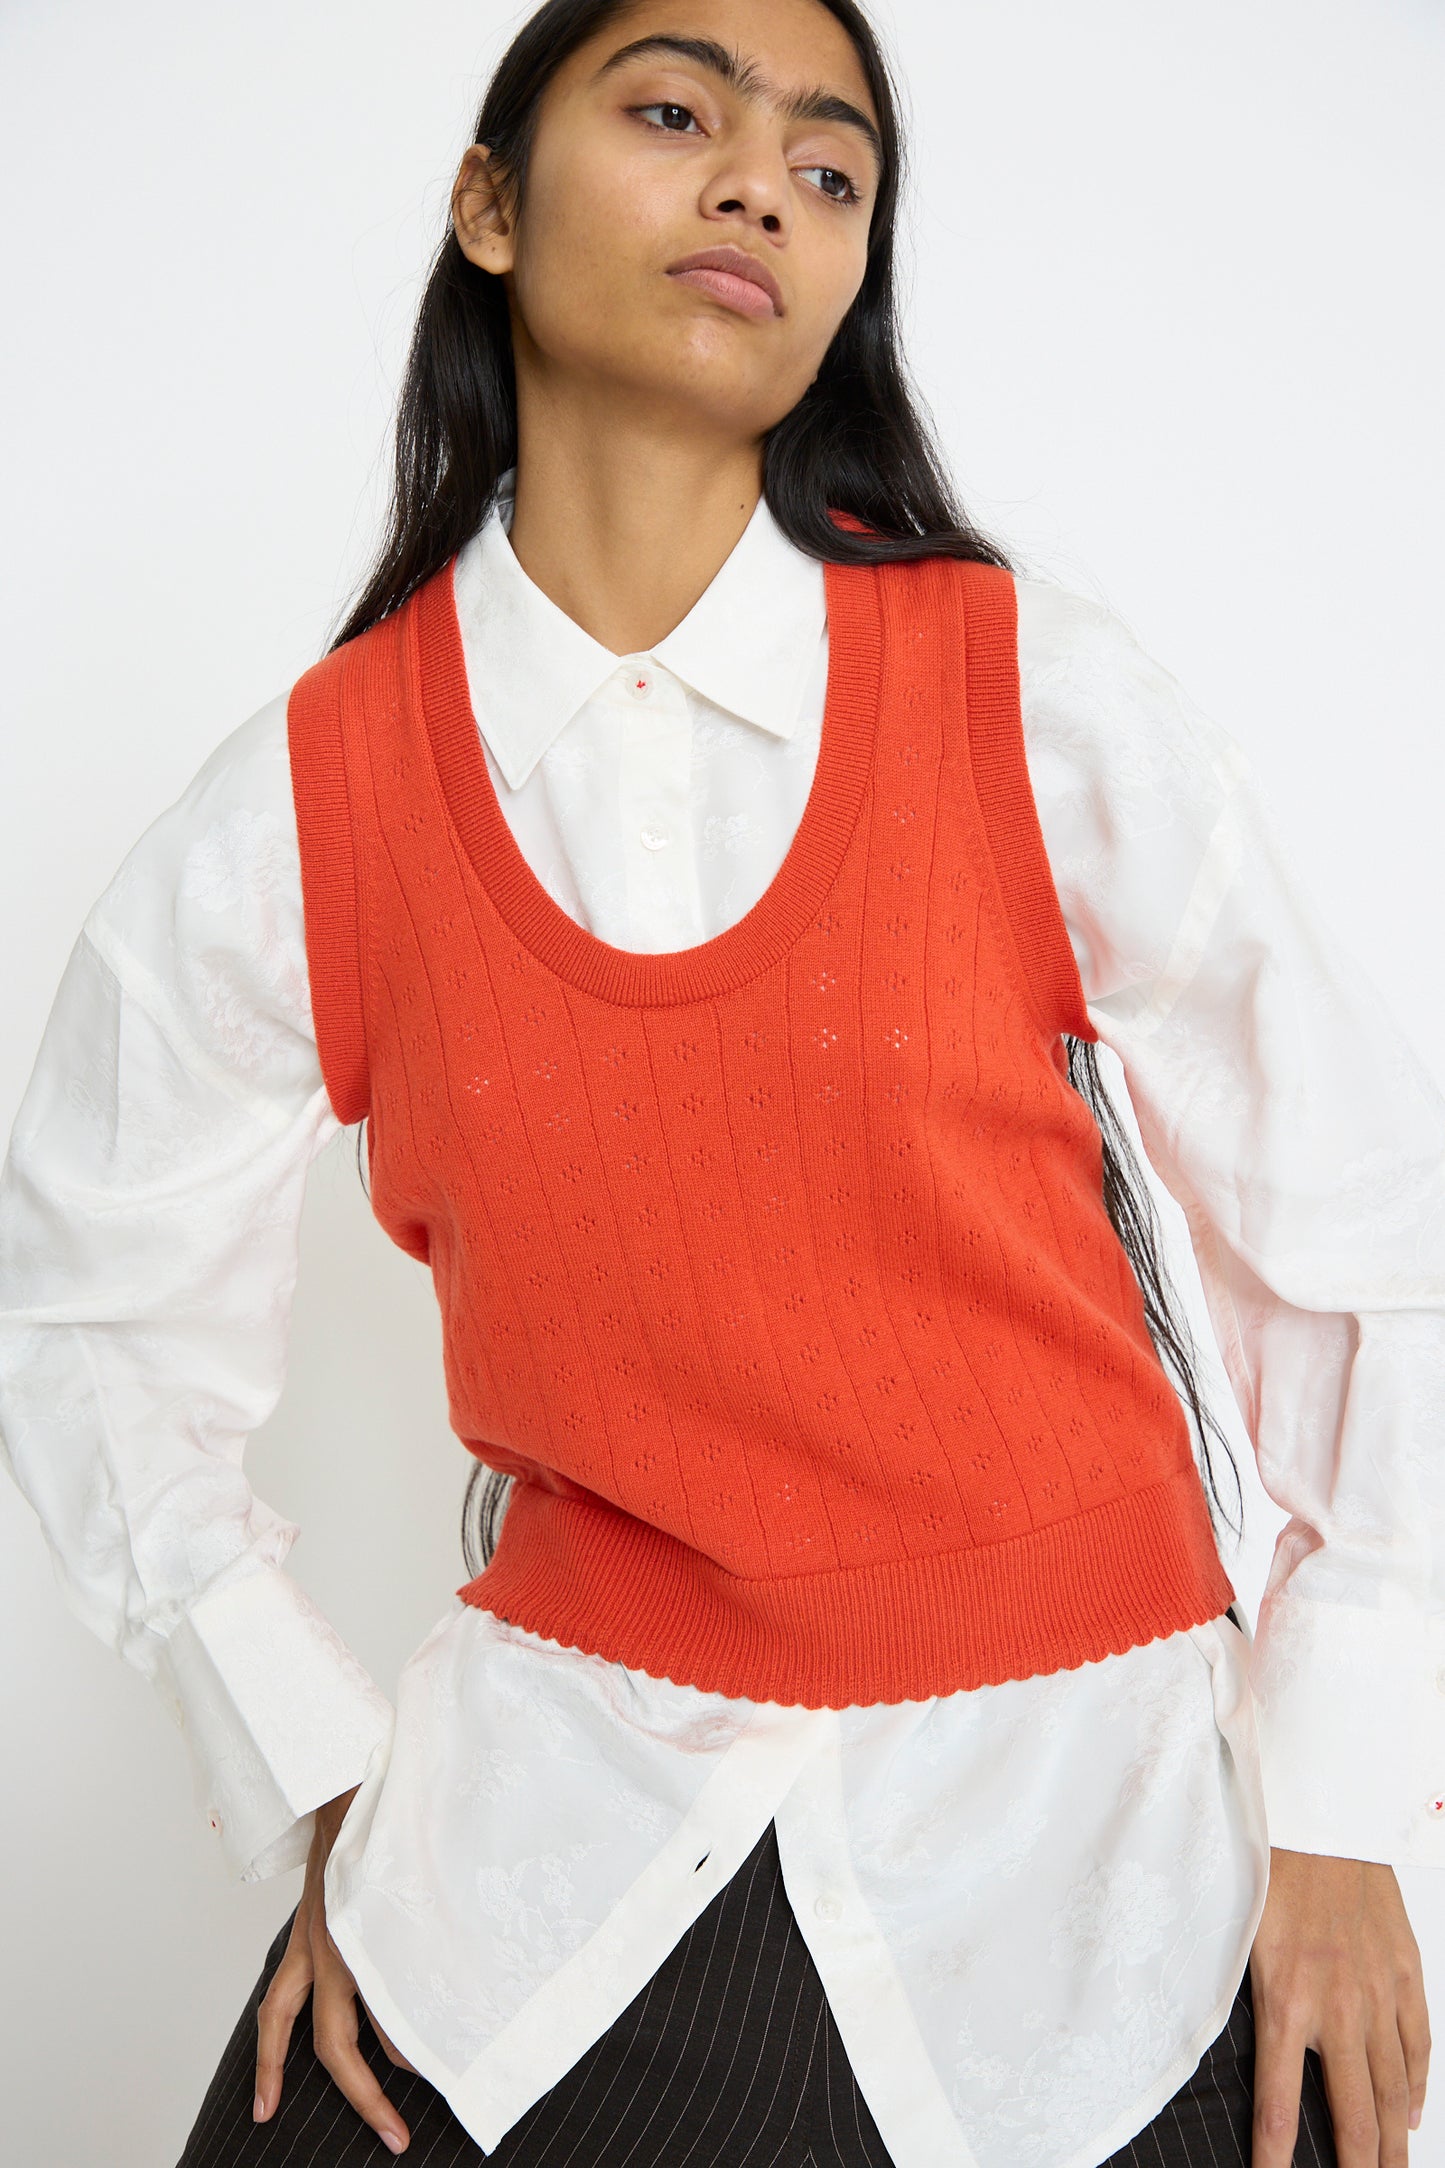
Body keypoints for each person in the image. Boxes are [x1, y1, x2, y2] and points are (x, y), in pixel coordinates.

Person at [0, 0, 1438, 2163]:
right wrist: (305, 1761)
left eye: (832, 166)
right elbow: (90, 1311)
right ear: (488, 202)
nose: (761, 180)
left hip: (1091, 1874)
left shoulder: (1033, 696)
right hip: (545, 1847)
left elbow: (1368, 1248)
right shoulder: (309, 804)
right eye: (675, 110)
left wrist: (1340, 1811)